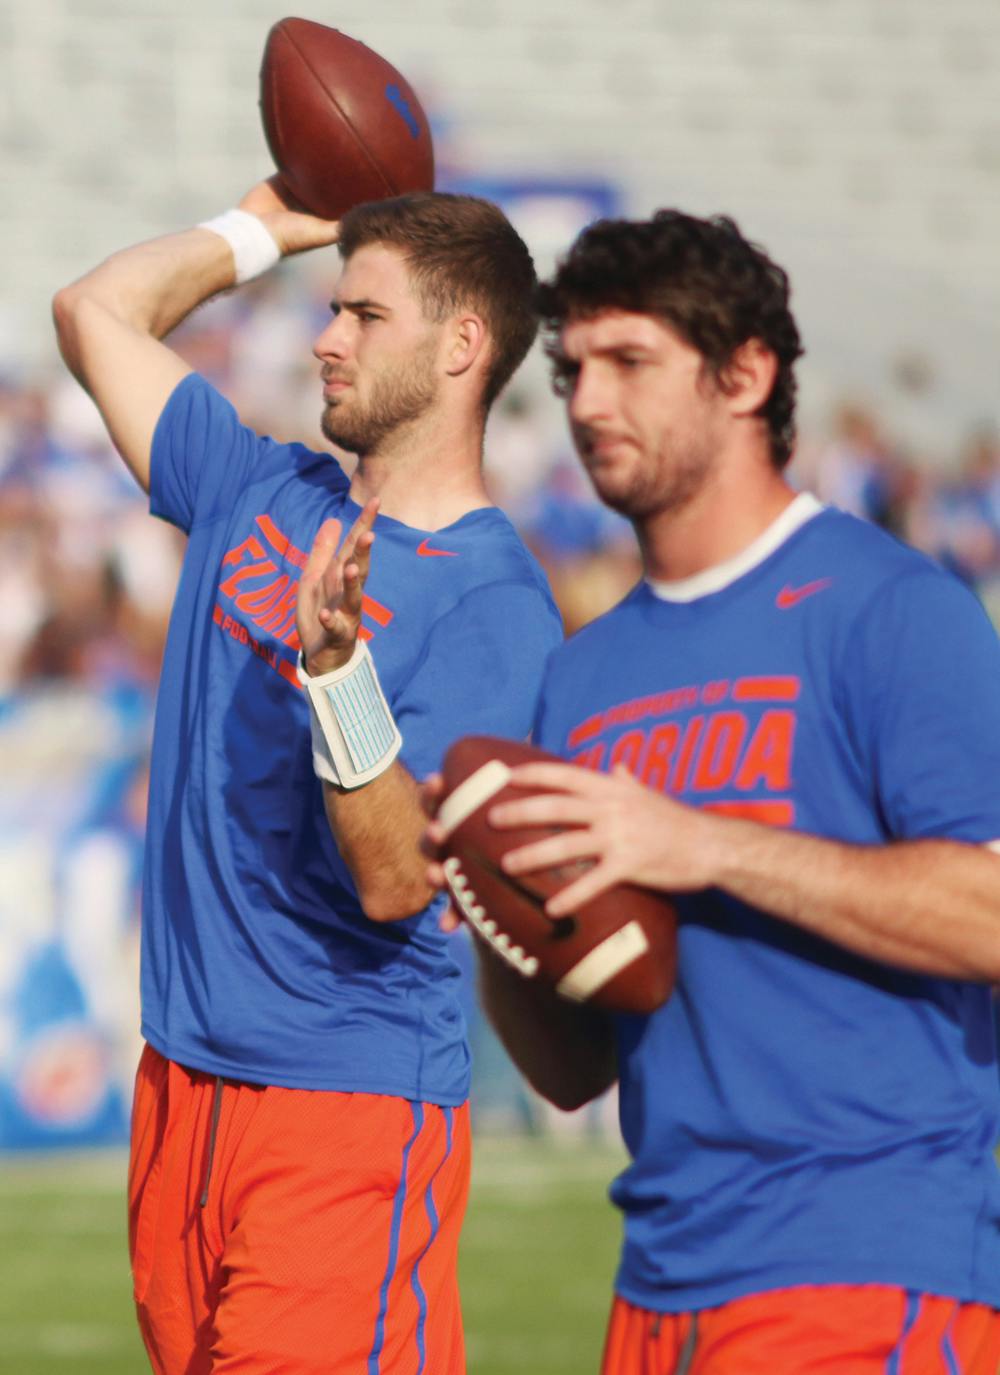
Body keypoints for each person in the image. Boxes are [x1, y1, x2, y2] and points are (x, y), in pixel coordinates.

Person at [425, 210, 1000, 1373]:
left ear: (745, 375)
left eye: (630, 362)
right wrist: (492, 910)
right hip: (659, 1279)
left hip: (869, 1260)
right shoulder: (582, 678)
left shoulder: (891, 608)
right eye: (575, 367)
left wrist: (707, 846)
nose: (587, 403)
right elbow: (575, 1065)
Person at [52, 179, 562, 1375]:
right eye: (330, 307)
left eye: (364, 315)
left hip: (342, 1109)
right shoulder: (260, 486)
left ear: (463, 346)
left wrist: (339, 674)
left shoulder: (495, 600)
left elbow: (397, 880)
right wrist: (261, 231)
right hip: (182, 1083)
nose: (324, 337)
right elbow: (92, 313)